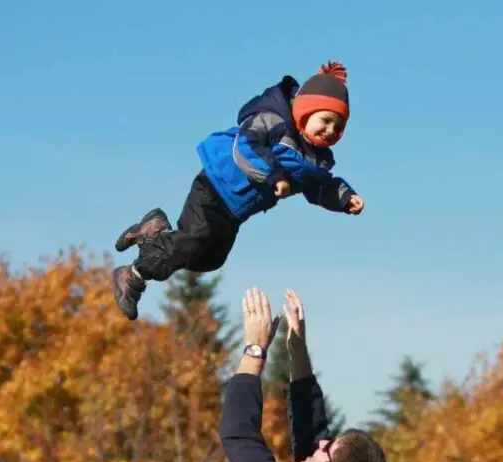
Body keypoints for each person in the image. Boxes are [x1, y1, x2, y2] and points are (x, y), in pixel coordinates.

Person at [110, 61, 366, 320]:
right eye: (325, 120)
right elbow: (246, 147)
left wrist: (345, 198)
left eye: (338, 127)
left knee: (210, 258)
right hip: (214, 186)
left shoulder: (313, 159)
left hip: (234, 212)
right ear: (305, 110)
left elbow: (319, 186)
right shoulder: (274, 121)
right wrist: (274, 176)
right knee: (193, 240)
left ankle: (154, 232)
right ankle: (132, 276)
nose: (330, 130)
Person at [220, 287, 388, 462]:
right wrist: (297, 352)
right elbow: (313, 437)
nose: (323, 442)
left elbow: (238, 436)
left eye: (330, 448)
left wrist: (255, 349)